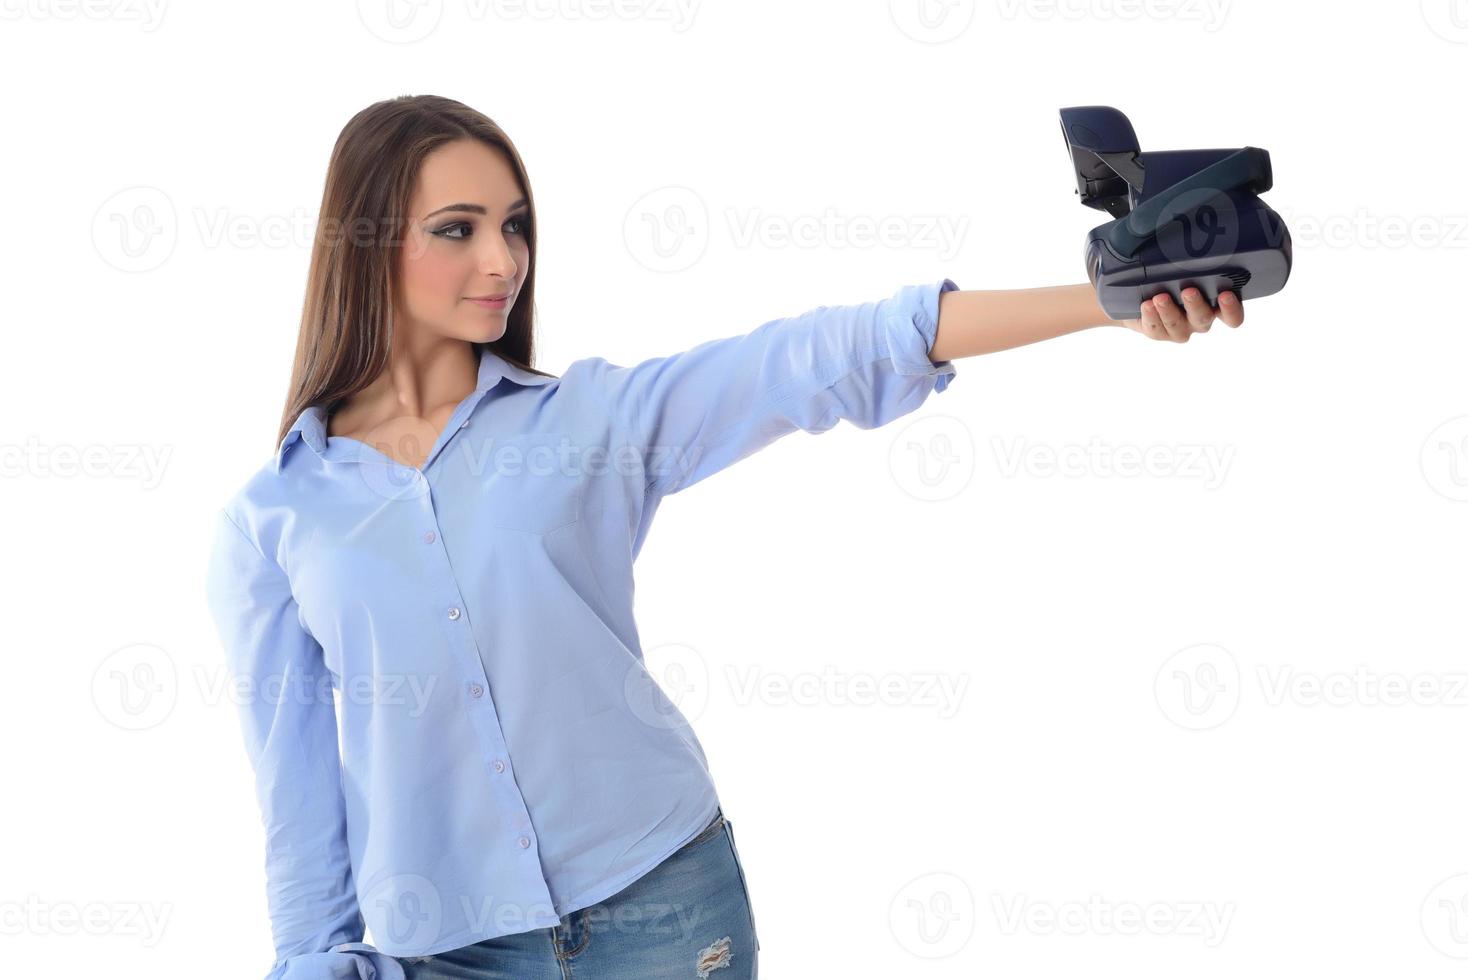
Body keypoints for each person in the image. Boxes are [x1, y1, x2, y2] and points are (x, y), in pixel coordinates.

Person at [203, 94, 1245, 980]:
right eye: (459, 228)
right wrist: (310, 955)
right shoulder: (274, 519)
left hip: (667, 908)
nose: (503, 259)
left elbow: (827, 353)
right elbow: (295, 798)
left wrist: (1111, 304)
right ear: (370, 241)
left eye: (516, 225)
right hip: (452, 947)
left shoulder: (590, 421)